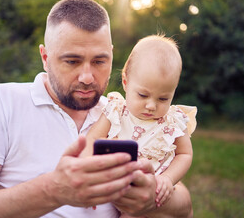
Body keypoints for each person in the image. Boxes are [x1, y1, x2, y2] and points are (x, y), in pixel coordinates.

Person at [0, 0, 193, 218]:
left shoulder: (121, 112)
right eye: (72, 61)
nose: (87, 76)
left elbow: (185, 207)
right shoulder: (1, 101)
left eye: (99, 61)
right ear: (45, 57)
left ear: (113, 57)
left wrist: (154, 197)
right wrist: (52, 190)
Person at [82, 35, 197, 217]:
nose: (151, 105)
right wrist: (88, 174)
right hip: (117, 185)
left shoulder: (173, 121)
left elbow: (185, 154)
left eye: (163, 98)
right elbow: (92, 139)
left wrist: (168, 178)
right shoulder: (116, 110)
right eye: (143, 95)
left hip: (155, 189)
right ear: (126, 82)